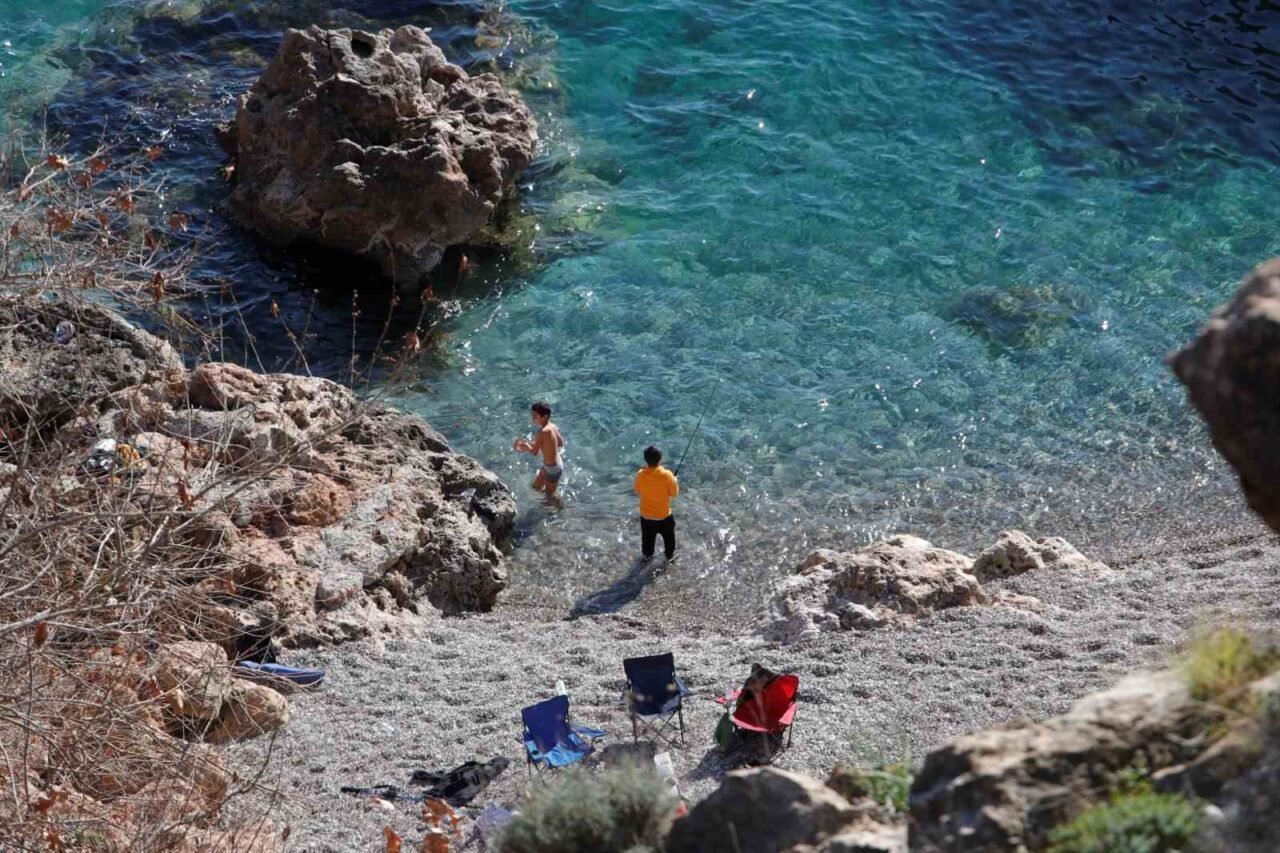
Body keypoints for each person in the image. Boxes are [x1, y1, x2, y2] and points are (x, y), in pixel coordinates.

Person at [634, 445, 678, 562]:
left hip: (646, 517)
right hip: (664, 516)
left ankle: (646, 559)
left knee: (647, 544)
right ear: (660, 459)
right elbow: (674, 493)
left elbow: (638, 490)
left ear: (645, 459)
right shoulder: (667, 475)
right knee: (669, 542)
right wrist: (674, 480)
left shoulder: (640, 474)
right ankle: (669, 558)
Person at [513, 401, 565, 497]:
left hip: (552, 469)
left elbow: (534, 452)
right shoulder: (552, 426)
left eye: (535, 416)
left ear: (544, 417)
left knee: (549, 495)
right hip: (554, 465)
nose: (533, 419)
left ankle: (559, 506)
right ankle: (536, 503)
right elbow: (560, 443)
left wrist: (527, 446)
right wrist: (545, 446)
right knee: (536, 487)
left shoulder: (543, 432)